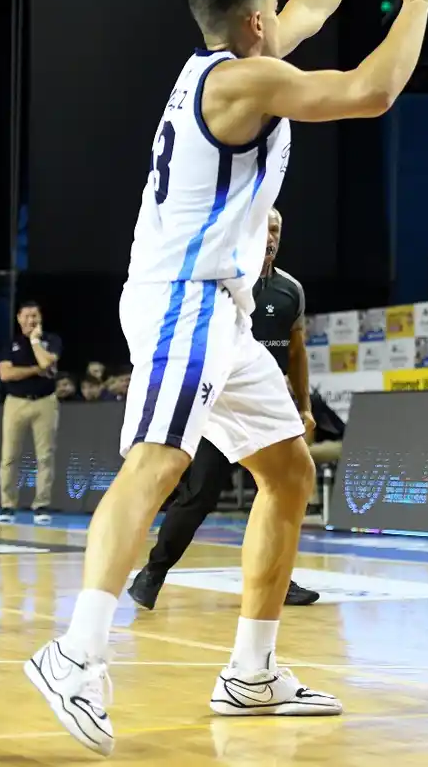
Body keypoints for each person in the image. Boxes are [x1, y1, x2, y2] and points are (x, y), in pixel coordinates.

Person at [25, 0, 428, 753]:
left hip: (221, 307)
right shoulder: (243, 82)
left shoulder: (225, 63)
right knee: (159, 462)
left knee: (287, 473)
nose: (284, 19)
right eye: (273, 12)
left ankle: (251, 673)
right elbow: (370, 91)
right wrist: (418, 3)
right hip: (183, 296)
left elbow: (307, 11)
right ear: (254, 24)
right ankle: (75, 654)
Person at [126, 208, 320, 611]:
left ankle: (277, 580)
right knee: (200, 494)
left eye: (276, 230)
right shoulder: (229, 282)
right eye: (265, 228)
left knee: (281, 489)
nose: (271, 237)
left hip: (266, 408)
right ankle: (153, 573)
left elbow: (296, 351)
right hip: (220, 402)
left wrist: (304, 406)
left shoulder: (291, 290)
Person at [0, 301, 63, 525]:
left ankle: (41, 505)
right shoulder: (10, 343)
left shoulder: (52, 340)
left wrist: (35, 341)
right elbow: (6, 374)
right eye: (26, 316)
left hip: (45, 402)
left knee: (45, 456)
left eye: (35, 316)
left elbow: (46, 361)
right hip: (16, 403)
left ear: (40, 318)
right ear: (18, 318)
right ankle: (7, 505)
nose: (31, 320)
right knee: (9, 456)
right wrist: (36, 370)